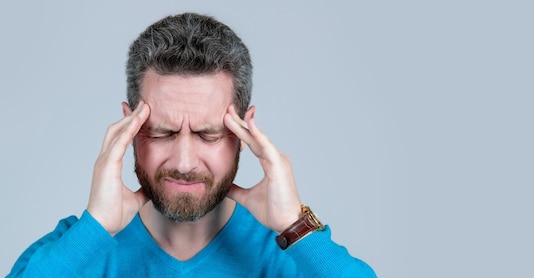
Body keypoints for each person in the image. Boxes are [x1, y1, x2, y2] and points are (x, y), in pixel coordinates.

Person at [8, 12, 375, 277]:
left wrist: (295, 225)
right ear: (129, 128)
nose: (184, 161)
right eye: (163, 132)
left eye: (209, 134)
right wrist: (97, 226)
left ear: (245, 132)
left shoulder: (291, 250)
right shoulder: (75, 250)